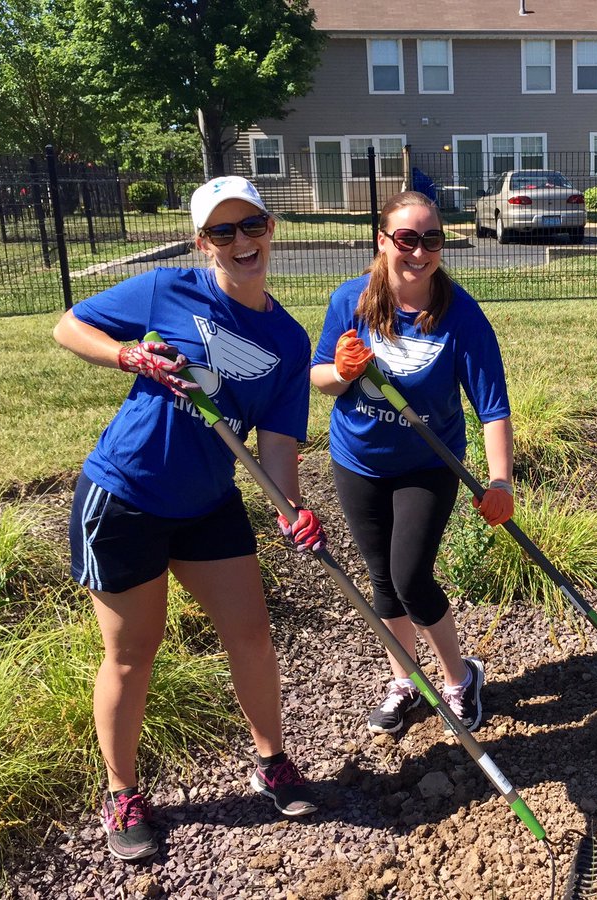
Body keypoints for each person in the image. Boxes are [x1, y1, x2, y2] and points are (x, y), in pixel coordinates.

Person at [52, 175, 323, 862]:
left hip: (208, 503)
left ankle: (272, 761)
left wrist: (293, 511)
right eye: (223, 231)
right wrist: (126, 354)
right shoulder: (166, 290)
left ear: (270, 230)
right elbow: (67, 325)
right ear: (205, 242)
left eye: (251, 226)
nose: (241, 242)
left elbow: (279, 442)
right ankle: (122, 794)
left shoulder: (289, 342)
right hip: (125, 498)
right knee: (134, 652)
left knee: (253, 636)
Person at [310, 190, 515, 736]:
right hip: (358, 460)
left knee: (411, 577)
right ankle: (406, 682)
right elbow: (319, 376)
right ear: (383, 242)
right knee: (382, 582)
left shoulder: (460, 314)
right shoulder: (350, 301)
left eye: (431, 239)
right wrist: (343, 371)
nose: (419, 251)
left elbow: (491, 405)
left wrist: (500, 481)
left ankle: (459, 677)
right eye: (407, 239)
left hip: (429, 462)